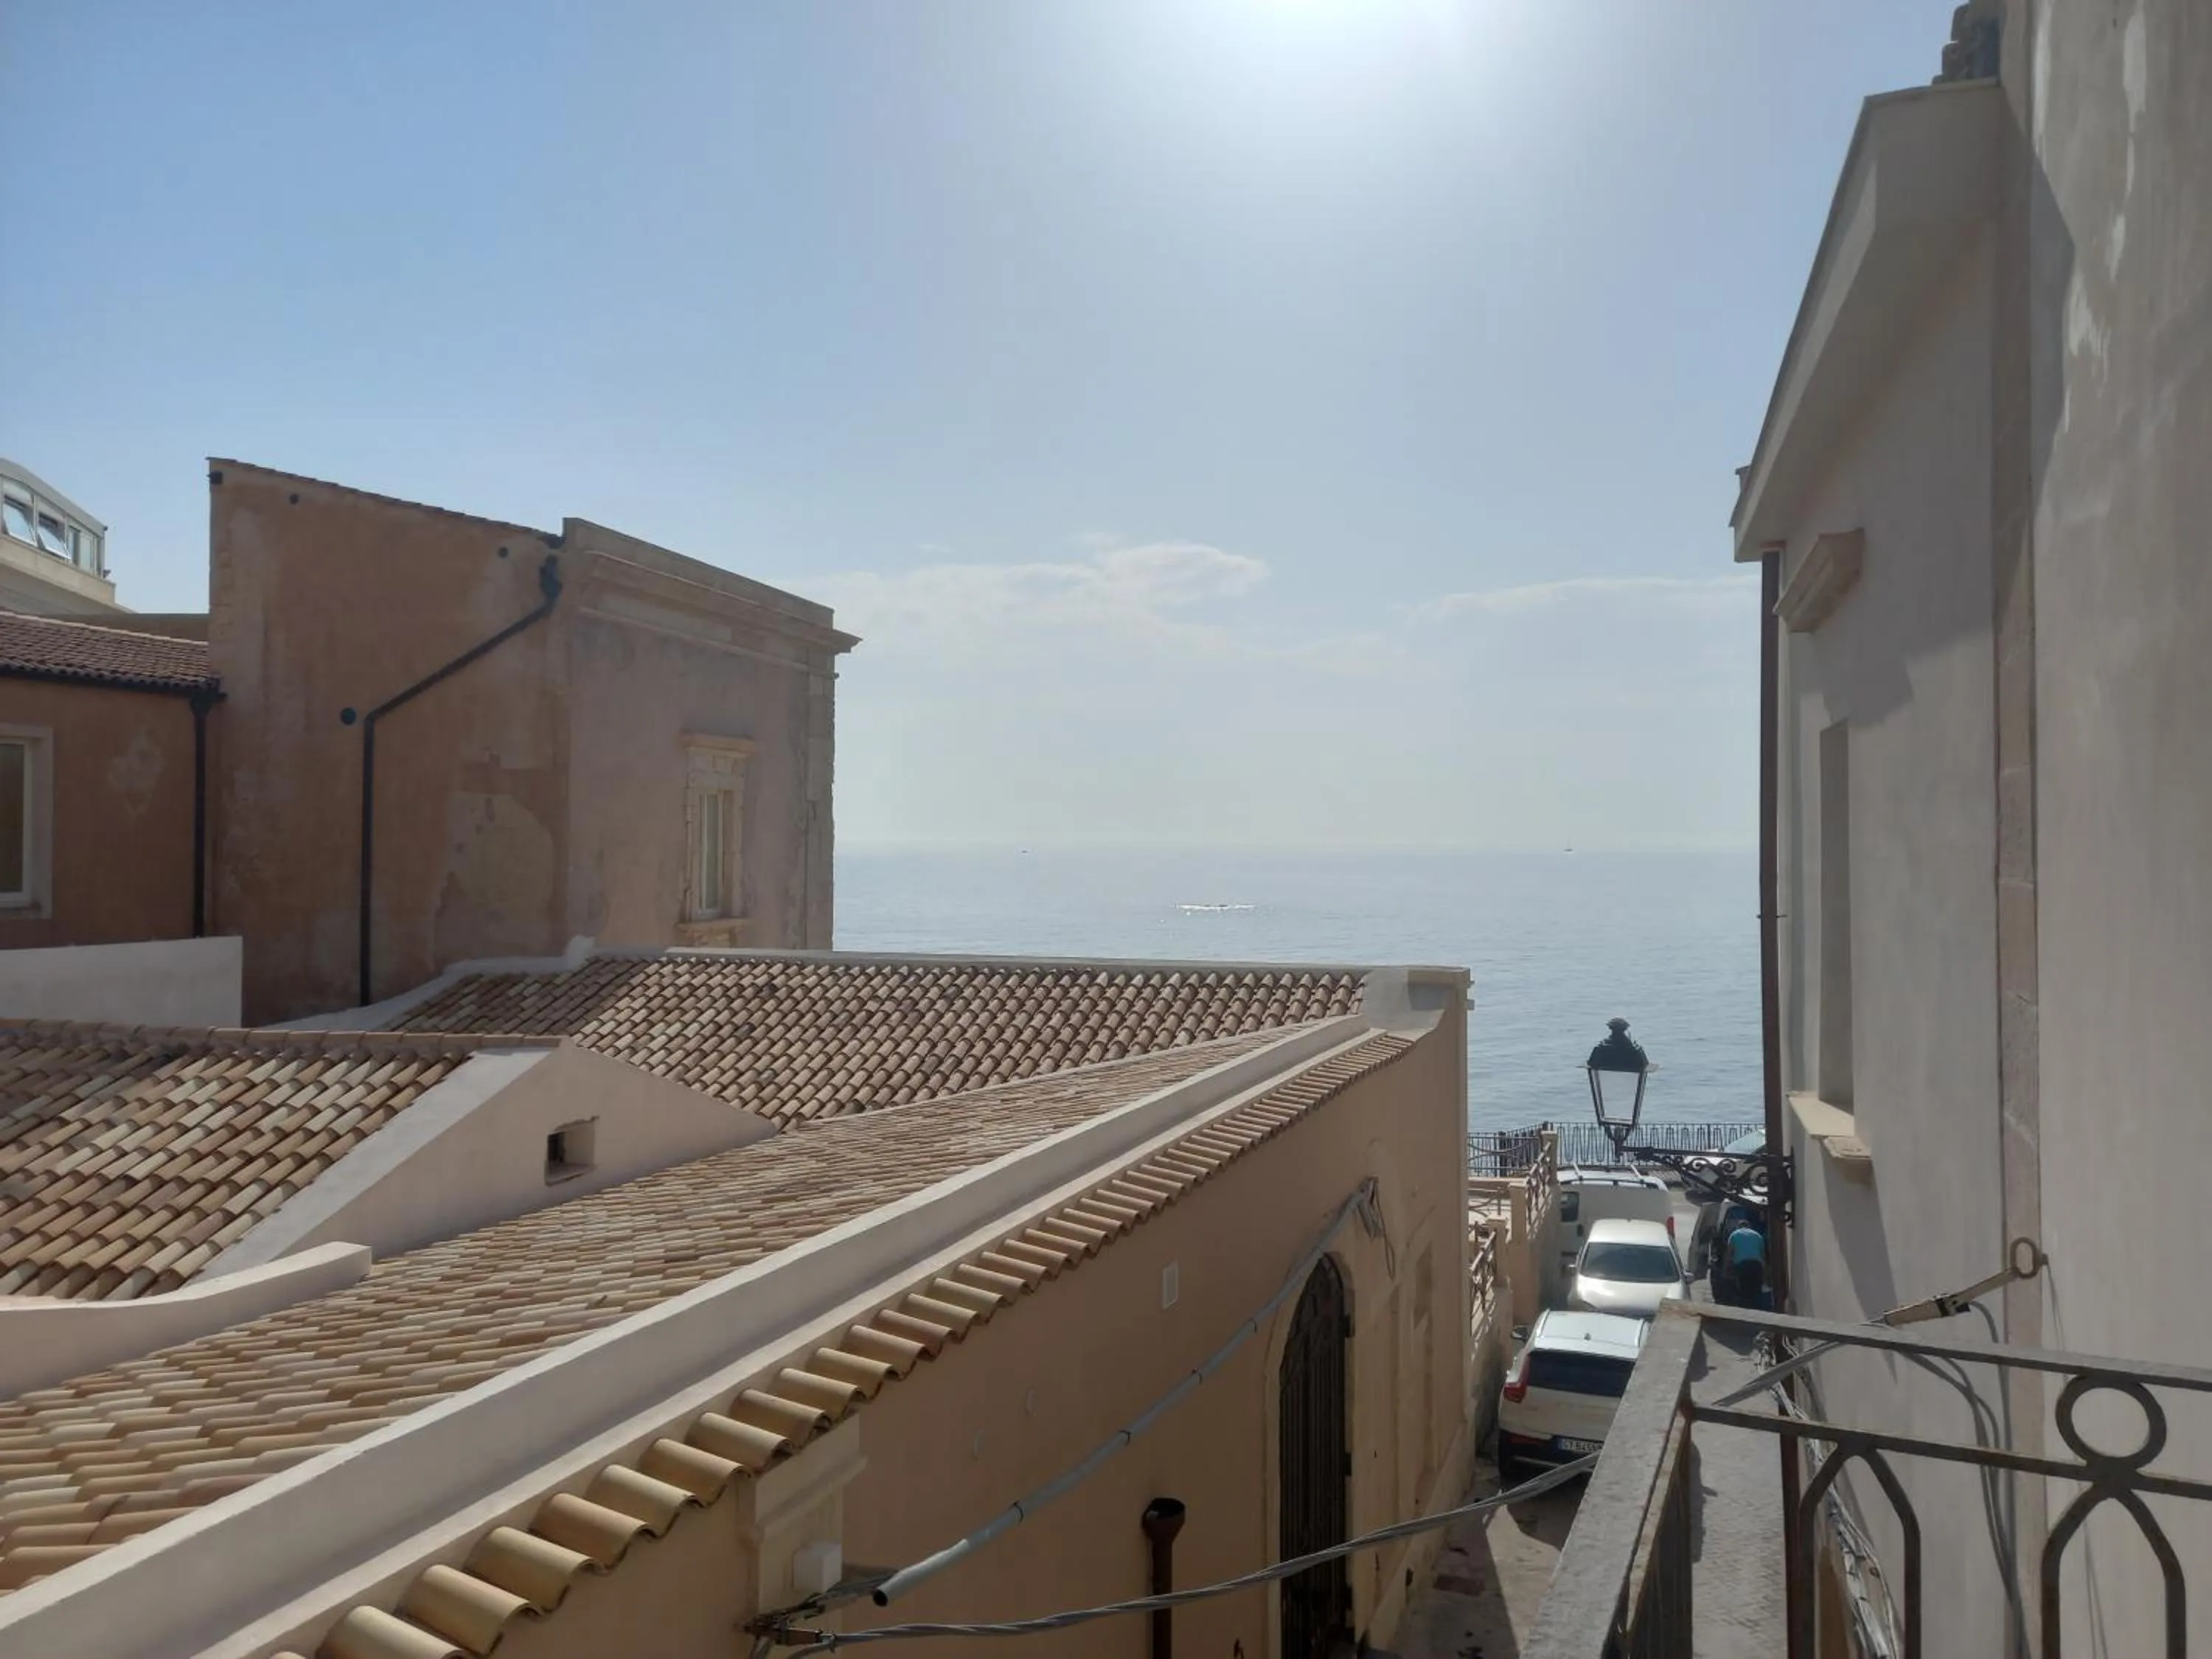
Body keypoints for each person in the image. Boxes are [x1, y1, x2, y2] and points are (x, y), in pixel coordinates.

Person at [1725, 1213, 1767, 1310]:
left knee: (1743, 1291)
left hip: (1742, 1266)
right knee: (1756, 1292)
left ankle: (1744, 1311)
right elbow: (1763, 1256)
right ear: (1749, 1227)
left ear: (1739, 1227)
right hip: (1756, 1266)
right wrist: (1765, 1274)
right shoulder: (1758, 1235)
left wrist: (1725, 1269)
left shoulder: (1734, 1234)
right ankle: (1757, 1311)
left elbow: (1729, 1254)